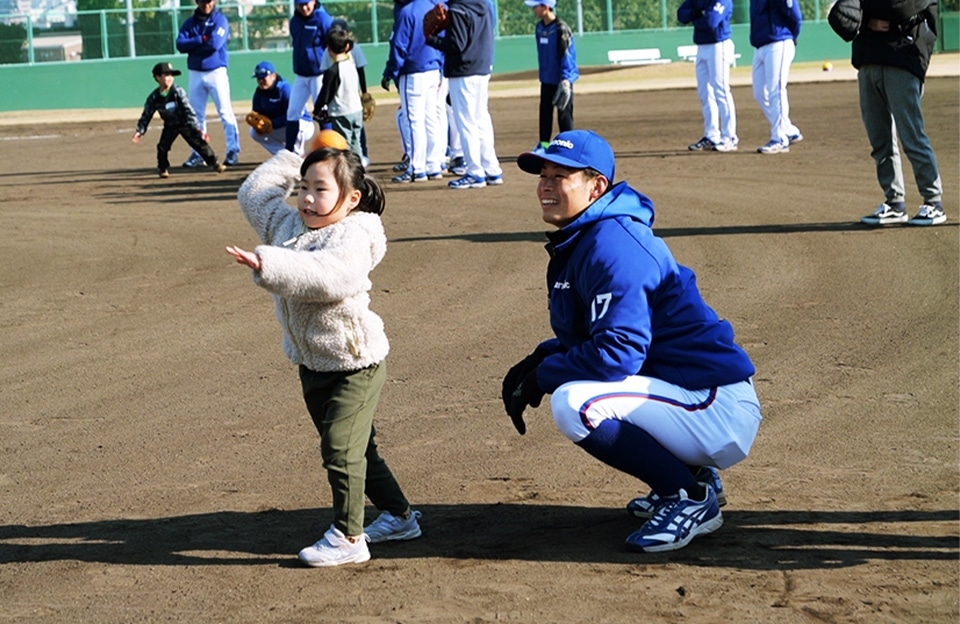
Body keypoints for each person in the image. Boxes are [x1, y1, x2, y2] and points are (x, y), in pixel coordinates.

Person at [503, 129, 761, 552]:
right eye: (543, 175)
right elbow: (600, 334)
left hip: (714, 402)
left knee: (574, 402)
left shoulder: (614, 245)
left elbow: (617, 353)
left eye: (560, 176)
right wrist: (542, 356)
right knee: (575, 387)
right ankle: (692, 476)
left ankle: (688, 496)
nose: (546, 186)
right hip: (686, 391)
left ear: (596, 187)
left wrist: (545, 375)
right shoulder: (586, 238)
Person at [229, 147, 422, 567]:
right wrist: (292, 158)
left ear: (351, 198)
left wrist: (268, 262)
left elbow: (329, 276)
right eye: (303, 188)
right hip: (313, 363)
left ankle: (349, 537)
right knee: (357, 450)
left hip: (355, 363)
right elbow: (254, 194)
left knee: (339, 450)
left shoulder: (354, 235)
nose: (307, 198)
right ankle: (400, 517)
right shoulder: (287, 224)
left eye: (320, 189)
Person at [842, 0, 946, 226]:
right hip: (869, 59)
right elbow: (841, 14)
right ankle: (894, 202)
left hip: (902, 58)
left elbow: (899, 7)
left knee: (912, 136)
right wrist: (867, 20)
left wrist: (863, 13)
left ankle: (933, 201)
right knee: (880, 140)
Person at [425, 0, 504, 189]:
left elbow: (457, 45)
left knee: (466, 123)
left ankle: (475, 172)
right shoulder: (484, 4)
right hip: (482, 67)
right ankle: (492, 170)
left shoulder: (458, 8)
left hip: (463, 71)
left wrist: (430, 38)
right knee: (481, 119)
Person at [383, 0, 447, 182]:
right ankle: (434, 165)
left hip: (413, 73)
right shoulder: (434, 6)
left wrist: (390, 73)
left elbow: (399, 46)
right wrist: (440, 69)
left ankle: (417, 168)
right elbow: (444, 41)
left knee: (414, 121)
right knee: (431, 119)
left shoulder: (407, 11)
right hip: (433, 69)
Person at [131, 62, 226, 178]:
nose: (170, 78)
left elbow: (188, 110)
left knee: (199, 143)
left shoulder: (178, 91)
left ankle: (215, 163)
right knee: (162, 147)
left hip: (185, 123)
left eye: (171, 75)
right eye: (166, 75)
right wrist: (140, 130)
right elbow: (147, 114)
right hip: (170, 125)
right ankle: (163, 169)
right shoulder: (154, 97)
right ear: (158, 77)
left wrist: (196, 128)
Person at [176, 0, 241, 167]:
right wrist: (200, 39)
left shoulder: (220, 20)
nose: (206, 4)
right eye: (203, 1)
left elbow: (214, 44)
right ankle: (199, 153)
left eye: (209, 1)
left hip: (216, 71)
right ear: (197, 1)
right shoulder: (190, 23)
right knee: (196, 115)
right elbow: (180, 44)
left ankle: (232, 150)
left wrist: (193, 46)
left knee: (225, 111)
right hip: (195, 72)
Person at [677, 0, 738, 152]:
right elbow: (681, 15)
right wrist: (698, 14)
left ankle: (730, 137)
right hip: (701, 46)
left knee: (721, 91)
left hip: (719, 44)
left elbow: (711, 22)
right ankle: (711, 135)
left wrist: (694, 16)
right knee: (705, 94)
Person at [749, 0, 802, 154]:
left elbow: (795, 15)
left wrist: (791, 35)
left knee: (776, 90)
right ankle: (788, 129)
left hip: (779, 41)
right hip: (760, 45)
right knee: (759, 93)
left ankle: (779, 139)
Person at [525, 0, 578, 150]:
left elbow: (568, 56)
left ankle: (568, 146)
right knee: (545, 113)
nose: (533, 9)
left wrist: (566, 80)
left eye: (536, 6)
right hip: (547, 80)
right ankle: (544, 145)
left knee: (564, 116)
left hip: (562, 80)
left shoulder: (561, 29)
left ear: (546, 7)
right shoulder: (539, 28)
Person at [285, 0, 334, 153]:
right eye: (300, 4)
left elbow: (333, 45)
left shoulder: (323, 19)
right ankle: (289, 152)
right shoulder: (294, 21)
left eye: (307, 3)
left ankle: (329, 150)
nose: (304, 7)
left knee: (322, 112)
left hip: (319, 75)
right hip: (301, 74)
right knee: (292, 113)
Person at [314, 28, 364, 158]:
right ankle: (359, 166)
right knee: (356, 143)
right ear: (347, 47)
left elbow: (326, 93)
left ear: (328, 48)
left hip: (341, 112)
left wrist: (317, 109)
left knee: (344, 146)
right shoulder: (351, 64)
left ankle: (350, 169)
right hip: (356, 110)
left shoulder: (333, 71)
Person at [248, 61, 316, 156]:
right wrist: (258, 124)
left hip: (304, 126)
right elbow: (257, 112)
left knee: (297, 124)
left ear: (273, 76)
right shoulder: (259, 92)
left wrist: (272, 123)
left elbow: (292, 115)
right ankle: (283, 155)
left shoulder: (285, 90)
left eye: (263, 77)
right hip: (280, 127)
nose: (260, 81)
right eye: (258, 78)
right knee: (253, 132)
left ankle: (298, 154)